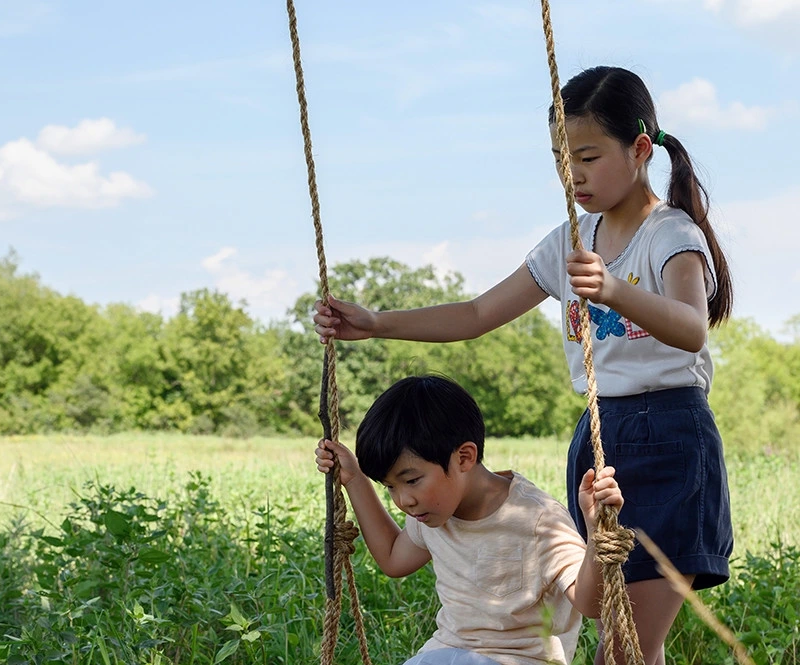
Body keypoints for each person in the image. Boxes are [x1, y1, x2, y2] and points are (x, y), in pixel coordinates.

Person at [312, 65, 733, 665]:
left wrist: (613, 289)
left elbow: (692, 328)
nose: (573, 175)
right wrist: (376, 322)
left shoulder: (669, 234)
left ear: (640, 149)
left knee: (628, 646)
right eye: (563, 159)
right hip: (599, 437)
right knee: (614, 637)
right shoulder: (569, 241)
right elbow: (478, 312)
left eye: (587, 157)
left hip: (669, 436)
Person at [315, 374, 624, 665]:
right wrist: (354, 479)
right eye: (390, 487)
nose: (403, 501)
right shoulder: (433, 513)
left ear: (464, 457)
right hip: (447, 652)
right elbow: (394, 558)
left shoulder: (537, 518)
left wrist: (599, 535)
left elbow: (592, 604)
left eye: (411, 481)